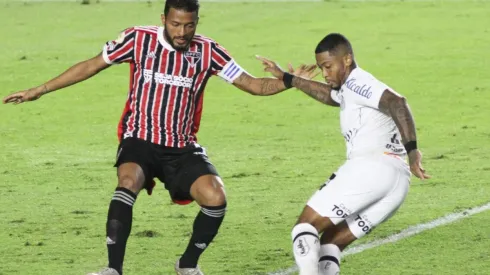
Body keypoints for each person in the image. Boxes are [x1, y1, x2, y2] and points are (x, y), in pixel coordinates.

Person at [2, 0, 317, 274]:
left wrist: (292, 81)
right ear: (164, 18)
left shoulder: (208, 51)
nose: (182, 33)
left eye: (189, 25)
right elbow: (91, 66)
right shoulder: (138, 39)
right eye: (176, 24)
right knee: (127, 182)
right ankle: (113, 268)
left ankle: (188, 264)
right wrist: (39, 90)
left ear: (197, 22)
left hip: (181, 146)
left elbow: (254, 85)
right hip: (140, 138)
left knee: (216, 197)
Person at [257, 33, 430, 275]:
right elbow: (331, 96)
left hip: (371, 168)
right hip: (397, 181)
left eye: (328, 66)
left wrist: (413, 150)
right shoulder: (349, 88)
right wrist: (289, 79)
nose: (325, 73)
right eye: (321, 68)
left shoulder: (359, 82)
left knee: (304, 228)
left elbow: (397, 102)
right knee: (330, 243)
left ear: (347, 59)